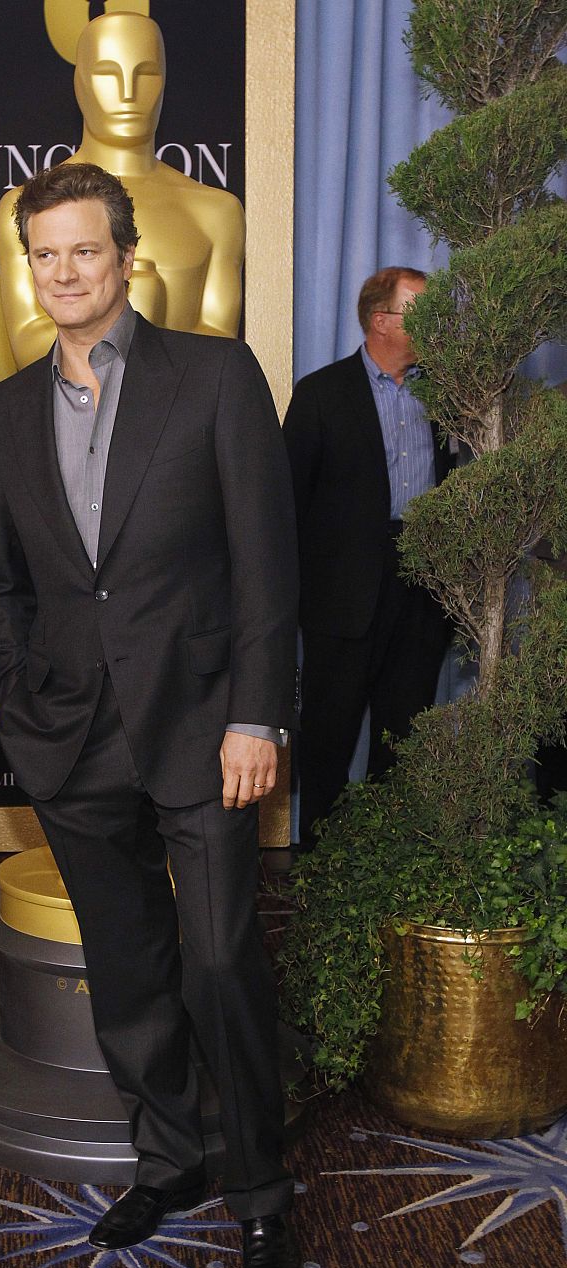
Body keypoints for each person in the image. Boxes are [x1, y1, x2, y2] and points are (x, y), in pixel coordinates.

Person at [0, 161, 300, 1268]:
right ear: (29, 267)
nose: (64, 271)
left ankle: (259, 1190)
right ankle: (167, 1160)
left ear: (126, 258)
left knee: (216, 962)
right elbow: (2, 585)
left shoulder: (213, 376)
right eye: (45, 253)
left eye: (84, 249)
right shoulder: (2, 410)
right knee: (126, 969)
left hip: (206, 727)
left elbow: (265, 564)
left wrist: (255, 714)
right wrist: (22, 699)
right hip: (70, 739)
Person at [283, 266, 453, 849]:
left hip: (424, 588)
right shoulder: (322, 394)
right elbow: (287, 502)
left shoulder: (446, 395)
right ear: (381, 321)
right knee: (328, 739)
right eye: (421, 311)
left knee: (403, 738)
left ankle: (388, 866)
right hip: (342, 597)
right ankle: (319, 868)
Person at [0, 12, 245, 369]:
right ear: (79, 83)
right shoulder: (26, 209)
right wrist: (126, 316)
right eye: (107, 74)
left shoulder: (217, 212)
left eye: (146, 74)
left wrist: (144, 330)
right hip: (72, 402)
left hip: (181, 404)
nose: (129, 94)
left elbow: (220, 354)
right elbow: (29, 351)